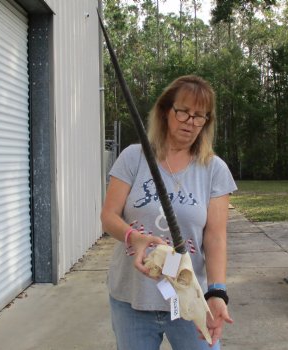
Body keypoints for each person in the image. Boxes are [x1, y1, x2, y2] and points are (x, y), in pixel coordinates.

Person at [101, 75, 237, 350]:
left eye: (200, 116)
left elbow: (215, 238)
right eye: (184, 111)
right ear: (166, 111)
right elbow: (108, 217)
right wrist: (132, 237)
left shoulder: (214, 169)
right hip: (133, 299)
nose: (191, 121)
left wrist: (218, 292)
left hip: (189, 297)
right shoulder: (133, 157)